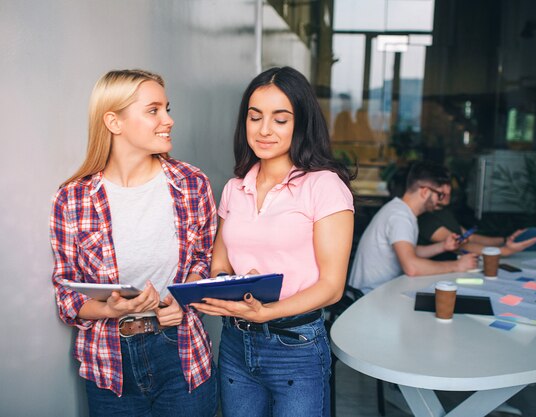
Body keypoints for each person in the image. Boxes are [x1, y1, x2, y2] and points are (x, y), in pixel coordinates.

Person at [50, 69, 218, 416]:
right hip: (109, 366)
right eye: (153, 110)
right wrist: (110, 310)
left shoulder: (192, 183)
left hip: (182, 355)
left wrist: (184, 298)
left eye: (167, 108)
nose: (168, 120)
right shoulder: (72, 199)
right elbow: (67, 295)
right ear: (114, 122)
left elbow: (204, 260)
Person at [191, 67, 354, 417]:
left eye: (280, 119)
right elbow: (220, 263)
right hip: (236, 342)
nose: (264, 130)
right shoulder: (235, 188)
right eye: (255, 117)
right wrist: (224, 288)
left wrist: (267, 311)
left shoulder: (323, 186)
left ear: (301, 124)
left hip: (295, 344)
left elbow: (332, 286)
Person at [349, 161, 478, 294]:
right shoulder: (400, 217)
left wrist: (443, 246)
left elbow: (410, 251)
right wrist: (457, 265)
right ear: (425, 192)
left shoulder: (401, 211)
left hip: (377, 292)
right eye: (439, 195)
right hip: (369, 297)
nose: (440, 202)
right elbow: (412, 267)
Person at [418, 184, 536, 258]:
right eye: (441, 184)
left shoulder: (444, 212)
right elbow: (460, 244)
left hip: (462, 269)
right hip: (446, 276)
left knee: (527, 235)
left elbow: (471, 237)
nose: (448, 189)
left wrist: (504, 240)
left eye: (448, 183)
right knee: (533, 234)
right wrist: (503, 251)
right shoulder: (426, 218)